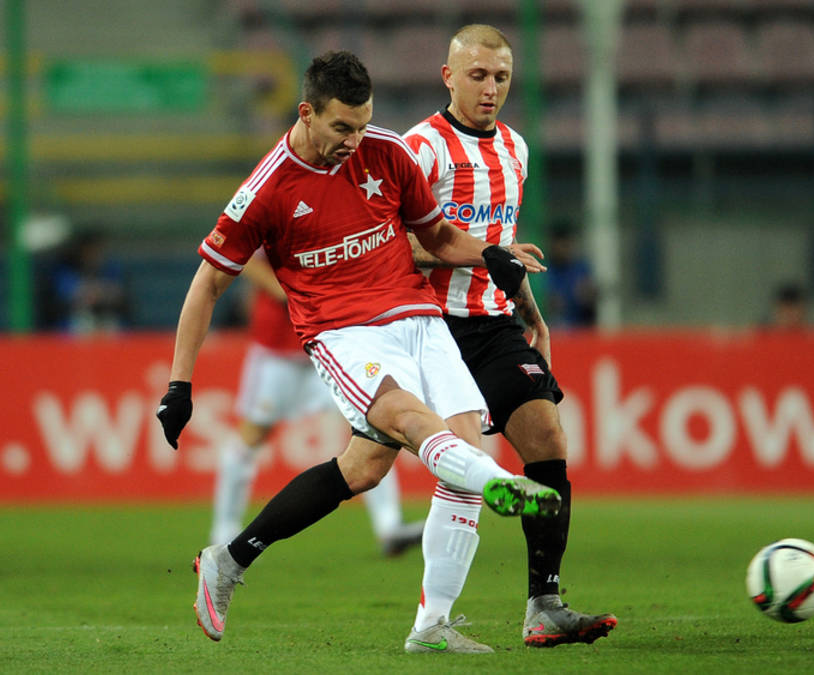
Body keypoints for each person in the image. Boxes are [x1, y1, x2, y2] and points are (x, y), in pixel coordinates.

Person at [154, 51, 561, 647]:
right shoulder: (266, 189)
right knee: (412, 422)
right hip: (343, 333)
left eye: (362, 124)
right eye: (342, 127)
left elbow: (437, 235)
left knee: (377, 467)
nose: (354, 140)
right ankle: (501, 482)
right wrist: (179, 384)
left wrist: (490, 254)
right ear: (307, 113)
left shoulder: (387, 151)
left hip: (419, 317)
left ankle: (424, 624)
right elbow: (208, 284)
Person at [402, 24, 617, 651]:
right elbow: (395, 244)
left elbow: (503, 250)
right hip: (432, 327)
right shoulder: (421, 149)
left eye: (501, 77)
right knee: (389, 469)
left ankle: (544, 605)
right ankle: (240, 552)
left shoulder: (516, 149)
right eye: (478, 76)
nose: (490, 88)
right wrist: (475, 253)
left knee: (548, 438)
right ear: (449, 77)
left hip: (494, 325)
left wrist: (533, 317)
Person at [209, 251, 424, 556]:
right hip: (277, 350)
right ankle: (224, 532)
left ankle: (389, 527)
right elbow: (245, 260)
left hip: (329, 343)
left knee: (373, 428)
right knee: (251, 436)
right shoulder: (271, 219)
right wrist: (290, 293)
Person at [48, 228, 131, 334]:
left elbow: (118, 295)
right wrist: (97, 292)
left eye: (98, 251)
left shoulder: (111, 269)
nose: (94, 255)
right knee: (81, 322)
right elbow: (69, 297)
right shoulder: (65, 269)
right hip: (75, 320)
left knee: (112, 325)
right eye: (90, 250)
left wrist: (96, 292)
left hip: (105, 318)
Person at [542, 223, 597, 328]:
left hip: (580, 327)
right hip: (552, 327)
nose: (563, 249)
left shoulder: (581, 268)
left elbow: (590, 298)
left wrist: (588, 295)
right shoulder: (544, 269)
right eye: (560, 245)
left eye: (566, 245)